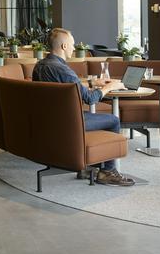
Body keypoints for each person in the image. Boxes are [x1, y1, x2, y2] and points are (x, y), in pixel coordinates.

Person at [32, 28, 135, 187]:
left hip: (49, 120)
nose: (74, 48)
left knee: (93, 116)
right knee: (113, 120)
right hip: (67, 123)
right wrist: (109, 87)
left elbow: (70, 86)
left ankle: (89, 169)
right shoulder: (62, 69)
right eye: (72, 44)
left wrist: (93, 83)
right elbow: (90, 99)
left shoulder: (40, 65)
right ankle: (107, 172)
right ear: (64, 46)